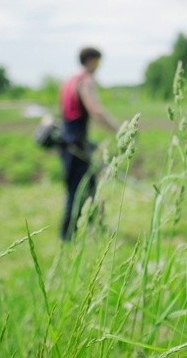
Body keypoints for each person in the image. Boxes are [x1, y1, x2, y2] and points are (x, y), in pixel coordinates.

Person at [59, 47, 119, 240]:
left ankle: (96, 227)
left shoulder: (69, 81)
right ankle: (67, 235)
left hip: (68, 140)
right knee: (76, 190)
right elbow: (96, 110)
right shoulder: (86, 81)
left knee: (90, 186)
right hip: (75, 144)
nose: (99, 66)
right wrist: (120, 130)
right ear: (91, 60)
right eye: (99, 61)